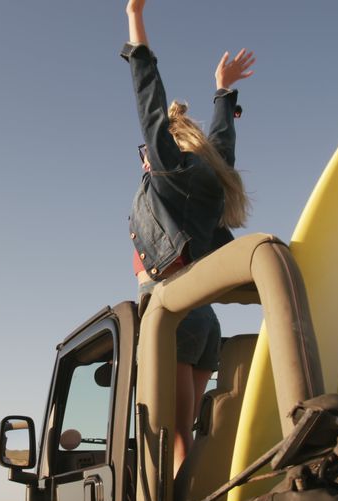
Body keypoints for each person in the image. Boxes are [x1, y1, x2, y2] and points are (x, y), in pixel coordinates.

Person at [122, 0, 254, 475]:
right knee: (189, 434)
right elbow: (221, 145)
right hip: (203, 321)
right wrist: (223, 90)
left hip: (172, 311)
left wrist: (134, 18)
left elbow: (149, 100)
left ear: (164, 147)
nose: (144, 157)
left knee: (174, 440)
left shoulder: (169, 170)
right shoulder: (209, 178)